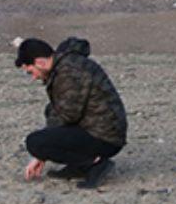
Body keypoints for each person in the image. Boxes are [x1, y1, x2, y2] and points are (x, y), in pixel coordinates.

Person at [15, 37, 128, 188]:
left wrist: (41, 152)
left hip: (105, 137)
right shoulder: (66, 66)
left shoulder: (69, 71)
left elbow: (67, 115)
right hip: (100, 129)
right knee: (48, 118)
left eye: (31, 71)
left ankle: (95, 163)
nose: (34, 77)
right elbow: (59, 112)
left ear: (40, 62)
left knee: (35, 142)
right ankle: (79, 166)